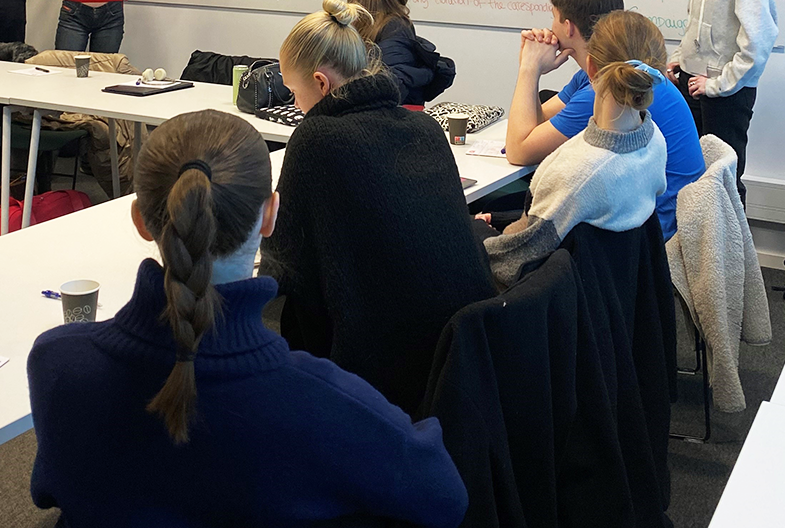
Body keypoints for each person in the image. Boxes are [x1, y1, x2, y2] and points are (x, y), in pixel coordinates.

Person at [27, 109, 468, 528]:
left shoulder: (56, 362)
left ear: (141, 220)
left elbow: (51, 491)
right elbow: (445, 497)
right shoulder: (325, 401)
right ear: (271, 214)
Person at [260, 0, 494, 414]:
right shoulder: (424, 125)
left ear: (320, 83)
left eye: (294, 93)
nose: (295, 106)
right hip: (460, 358)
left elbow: (282, 261)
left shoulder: (316, 140)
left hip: (380, 375)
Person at [504, 0, 704, 241]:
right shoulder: (616, 73)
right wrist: (536, 71)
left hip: (649, 234)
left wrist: (529, 68)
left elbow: (519, 151)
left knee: (501, 214)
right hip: (647, 219)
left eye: (553, 16)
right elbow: (537, 128)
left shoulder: (607, 93)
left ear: (568, 26)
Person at [483, 10, 669, 289]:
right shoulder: (655, 141)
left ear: (590, 67)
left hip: (550, 298)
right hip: (613, 289)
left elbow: (511, 263)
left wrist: (479, 235)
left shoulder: (577, 171)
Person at [667, 0, 779, 203]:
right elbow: (697, 27)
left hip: (725, 94)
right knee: (693, 172)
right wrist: (680, 59)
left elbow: (757, 44)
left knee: (723, 177)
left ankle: (731, 250)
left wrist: (718, 85)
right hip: (694, 83)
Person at [347, 0, 454, 107]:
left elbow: (393, 85)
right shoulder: (354, 26)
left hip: (388, 113)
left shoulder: (394, 26)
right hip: (369, 110)